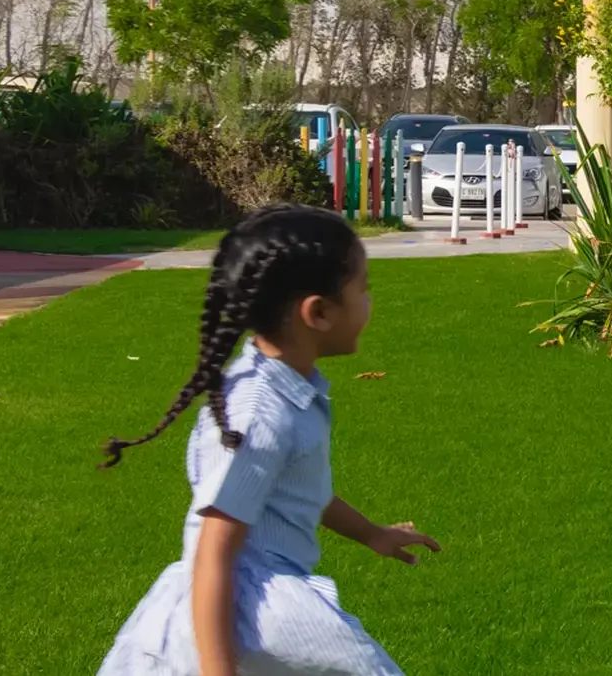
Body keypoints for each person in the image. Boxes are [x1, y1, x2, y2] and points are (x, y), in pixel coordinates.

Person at [98, 205, 439, 676]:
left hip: (254, 603)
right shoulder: (259, 413)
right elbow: (213, 553)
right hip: (248, 613)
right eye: (363, 289)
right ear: (317, 312)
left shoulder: (287, 390)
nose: (370, 302)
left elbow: (300, 491)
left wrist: (372, 534)